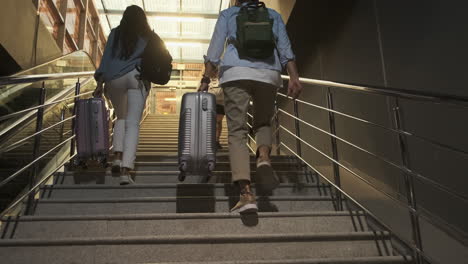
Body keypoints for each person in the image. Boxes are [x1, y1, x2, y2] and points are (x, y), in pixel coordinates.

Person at [199, 0, 303, 213]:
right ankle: (263, 157)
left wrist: (206, 78)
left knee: (237, 130)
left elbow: (215, 48)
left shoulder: (228, 14)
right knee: (263, 122)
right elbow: (285, 47)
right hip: (268, 74)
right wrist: (294, 76)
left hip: (235, 73)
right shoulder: (272, 15)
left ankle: (246, 195)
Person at [93, 5, 152, 185]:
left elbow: (106, 58)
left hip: (114, 78)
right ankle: (126, 171)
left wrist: (100, 82)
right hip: (136, 77)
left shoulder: (115, 33)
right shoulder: (147, 35)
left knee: (121, 118)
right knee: (133, 124)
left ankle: (117, 158)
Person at [208, 77, 225, 150]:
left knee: (218, 122)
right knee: (212, 123)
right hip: (210, 103)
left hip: (220, 103)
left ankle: (216, 140)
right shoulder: (207, 78)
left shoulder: (223, 76)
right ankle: (211, 140)